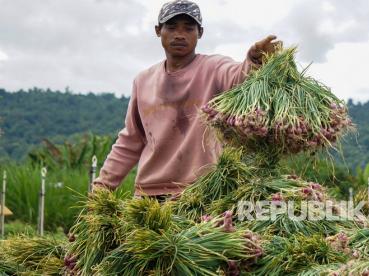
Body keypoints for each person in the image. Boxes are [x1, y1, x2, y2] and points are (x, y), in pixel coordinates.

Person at [92, 0, 281, 199]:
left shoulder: (213, 68)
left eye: (188, 28)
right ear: (158, 30)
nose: (180, 35)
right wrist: (102, 186)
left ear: (200, 33)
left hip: (200, 194)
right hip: (148, 194)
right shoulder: (143, 81)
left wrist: (254, 61)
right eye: (171, 27)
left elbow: (238, 76)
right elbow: (131, 139)